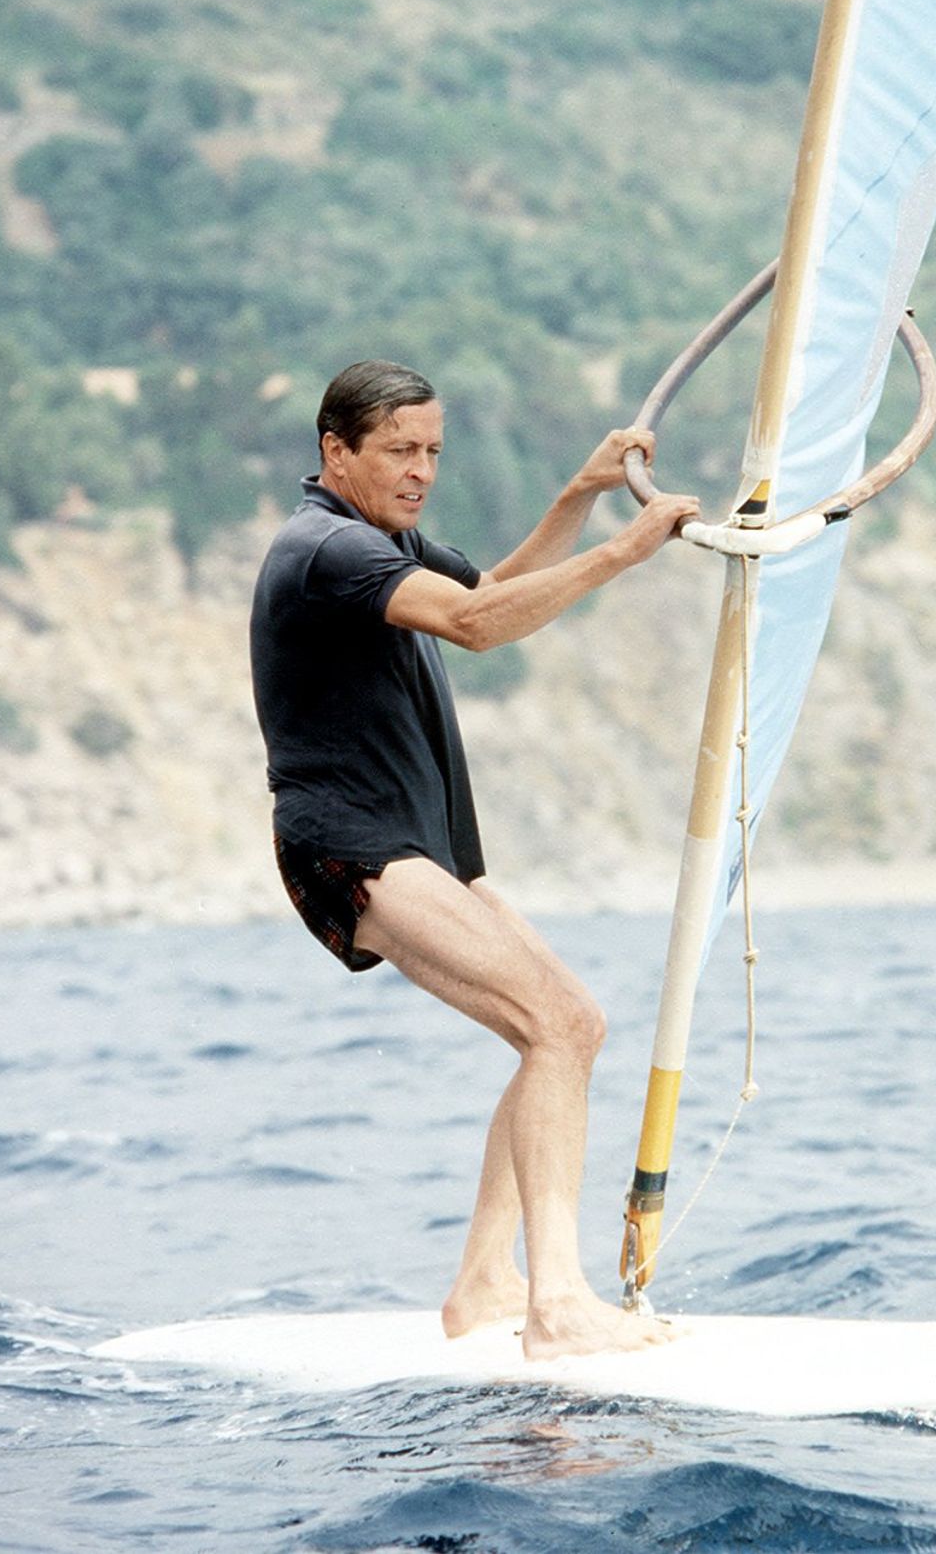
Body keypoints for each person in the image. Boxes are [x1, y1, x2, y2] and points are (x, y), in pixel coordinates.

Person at [250, 359, 699, 1361]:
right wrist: (624, 551)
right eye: (398, 451)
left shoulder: (386, 544)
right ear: (336, 450)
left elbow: (490, 587)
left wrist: (578, 497)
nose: (420, 471)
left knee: (570, 1027)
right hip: (351, 845)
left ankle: (487, 1282)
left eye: (432, 452)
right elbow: (475, 626)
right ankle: (557, 1304)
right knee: (555, 1025)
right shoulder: (324, 548)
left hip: (420, 844)